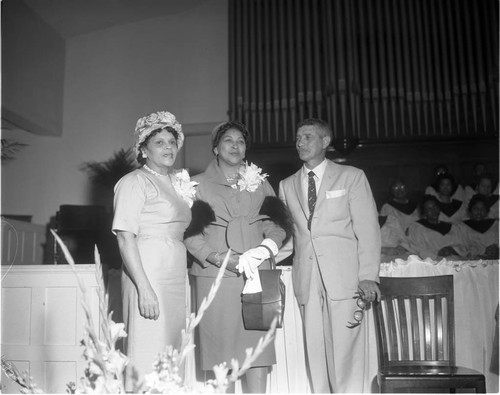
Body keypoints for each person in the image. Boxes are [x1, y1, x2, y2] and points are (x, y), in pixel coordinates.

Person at [184, 121, 292, 393]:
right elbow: (190, 235)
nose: (235, 145)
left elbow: (277, 224)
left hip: (259, 274)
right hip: (215, 276)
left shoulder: (261, 183)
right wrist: (219, 258)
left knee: (259, 352)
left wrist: (266, 248)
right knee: (221, 354)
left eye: (241, 141)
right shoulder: (196, 185)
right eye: (228, 140)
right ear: (215, 148)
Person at [278, 118, 381, 393]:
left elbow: (368, 231)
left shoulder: (352, 176)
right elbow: (290, 238)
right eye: (298, 137)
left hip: (345, 280)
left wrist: (369, 276)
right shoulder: (286, 185)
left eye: (308, 137)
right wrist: (258, 258)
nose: (300, 142)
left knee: (346, 354)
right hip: (307, 280)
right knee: (315, 352)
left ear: (325, 141)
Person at [112, 111, 196, 391]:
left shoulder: (175, 183)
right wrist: (144, 289)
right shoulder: (134, 182)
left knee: (170, 353)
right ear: (143, 150)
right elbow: (125, 237)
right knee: (148, 353)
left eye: (172, 141)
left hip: (173, 274)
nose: (168, 147)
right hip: (148, 274)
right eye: (159, 142)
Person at [405, 195, 468, 261]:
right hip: (431, 263)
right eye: (429, 209)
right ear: (424, 212)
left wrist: (452, 249)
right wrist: (437, 254)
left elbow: (463, 246)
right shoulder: (416, 228)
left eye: (435, 207)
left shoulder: (452, 228)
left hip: (454, 262)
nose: (433, 210)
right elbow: (415, 247)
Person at [458, 194, 499, 259]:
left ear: (487, 211)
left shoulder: (496, 225)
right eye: (475, 209)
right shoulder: (462, 227)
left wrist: (496, 249)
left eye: (482, 209)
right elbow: (462, 250)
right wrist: (483, 251)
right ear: (470, 211)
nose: (479, 212)